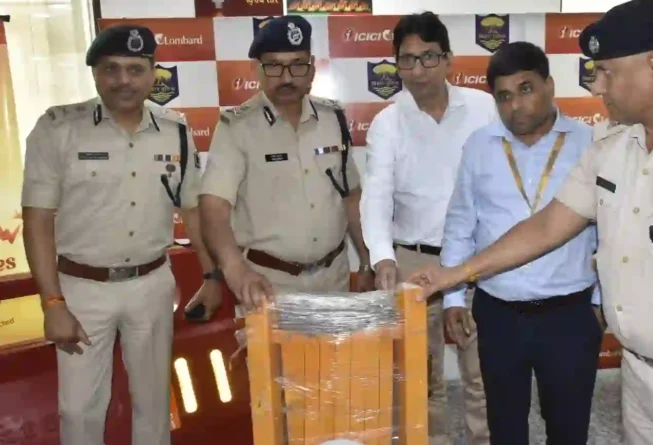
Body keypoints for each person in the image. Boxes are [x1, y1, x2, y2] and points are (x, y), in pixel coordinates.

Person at [408, 1, 653, 444]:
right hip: (641, 384)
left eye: (607, 72)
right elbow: (549, 226)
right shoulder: (611, 146)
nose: (596, 86)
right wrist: (456, 274)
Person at [21, 25, 219, 445]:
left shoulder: (176, 131)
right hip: (81, 289)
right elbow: (37, 220)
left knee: (154, 403)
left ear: (152, 73)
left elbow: (192, 209)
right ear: (95, 73)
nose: (123, 80)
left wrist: (211, 274)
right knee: (79, 409)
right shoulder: (58, 128)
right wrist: (52, 303)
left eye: (135, 69)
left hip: (151, 285)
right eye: (111, 68)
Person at [441, 41, 603, 445]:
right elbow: (460, 223)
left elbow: (608, 230)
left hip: (568, 314)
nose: (516, 105)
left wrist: (601, 301)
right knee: (505, 425)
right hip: (499, 314)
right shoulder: (479, 145)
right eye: (504, 96)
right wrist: (453, 298)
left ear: (549, 85)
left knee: (568, 428)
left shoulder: (590, 144)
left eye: (526, 89)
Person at [359, 12, 496, 445]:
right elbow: (376, 195)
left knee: (482, 375)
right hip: (412, 262)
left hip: (475, 263)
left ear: (448, 59)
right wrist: (382, 257)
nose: (417, 71)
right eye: (407, 59)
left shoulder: (483, 108)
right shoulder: (387, 123)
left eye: (428, 58)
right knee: (420, 378)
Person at [199, 15, 373, 312]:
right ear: (257, 69)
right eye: (274, 66)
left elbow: (351, 196)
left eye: (297, 64)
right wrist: (235, 268)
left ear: (312, 68)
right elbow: (214, 207)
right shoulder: (236, 128)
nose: (287, 77)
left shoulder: (333, 119)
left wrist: (367, 260)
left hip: (334, 280)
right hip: (268, 286)